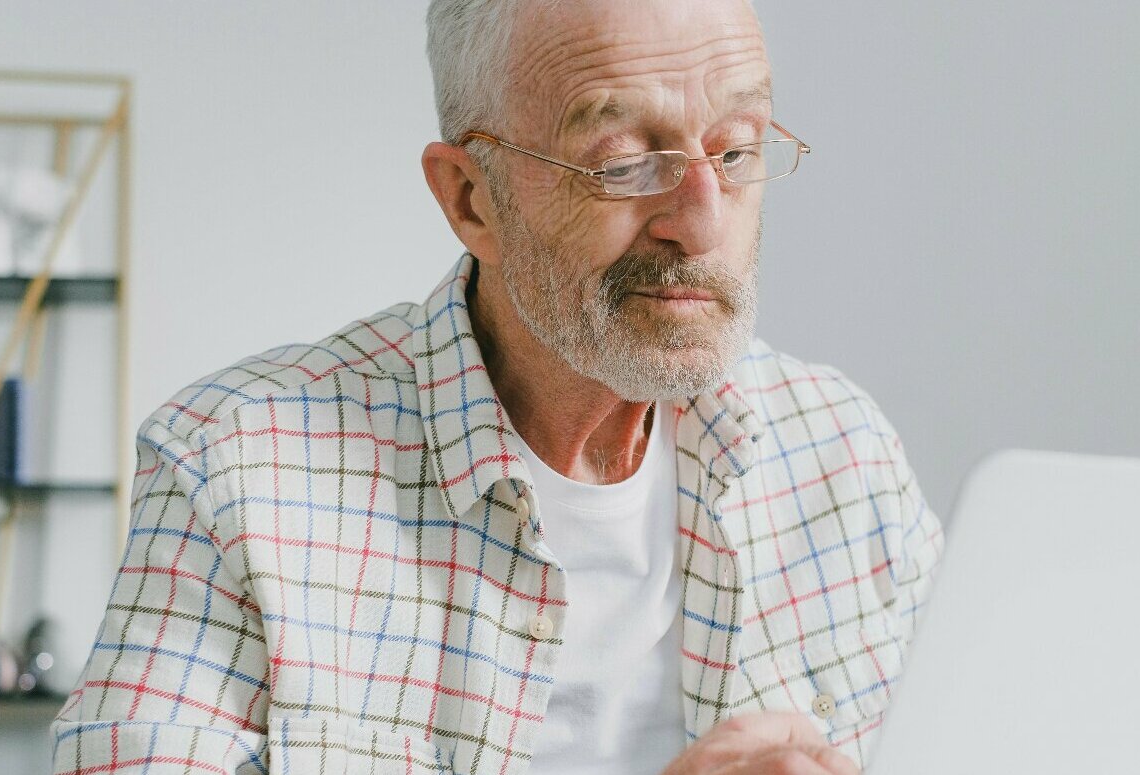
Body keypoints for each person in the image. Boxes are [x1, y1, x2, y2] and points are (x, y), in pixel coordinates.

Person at [51, 1, 943, 773]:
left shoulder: (846, 458)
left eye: (737, 151)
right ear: (470, 198)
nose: (703, 224)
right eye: (625, 164)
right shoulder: (235, 473)